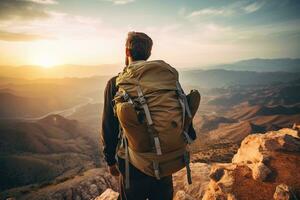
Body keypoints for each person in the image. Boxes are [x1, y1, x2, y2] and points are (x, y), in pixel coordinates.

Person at [101, 32, 174, 200]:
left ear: (127, 52)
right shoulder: (165, 81)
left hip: (132, 165)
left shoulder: (116, 83)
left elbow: (109, 126)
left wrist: (110, 160)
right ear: (149, 53)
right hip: (164, 159)